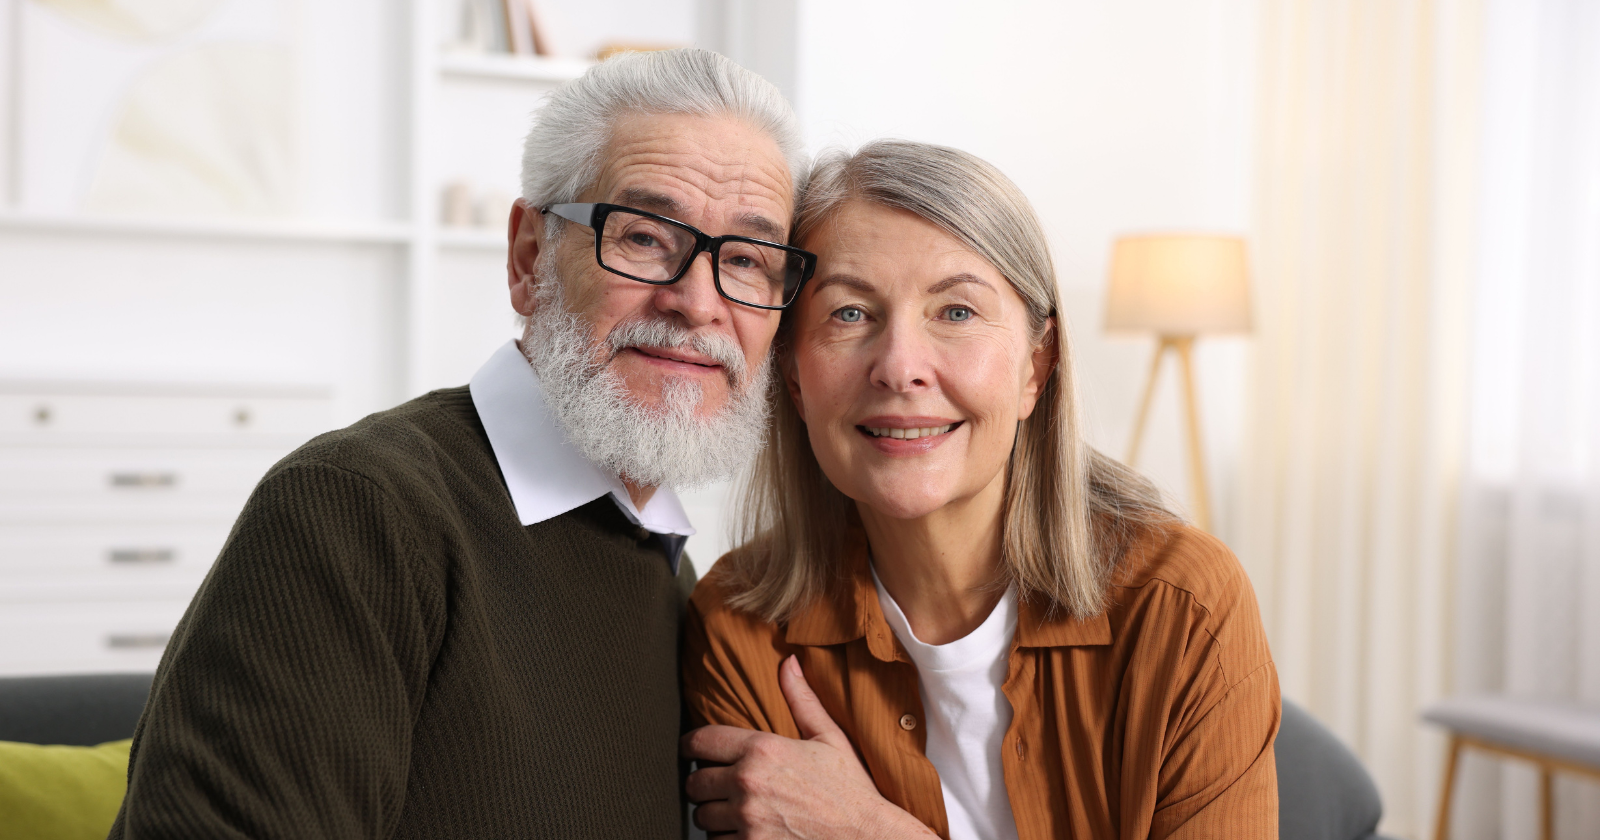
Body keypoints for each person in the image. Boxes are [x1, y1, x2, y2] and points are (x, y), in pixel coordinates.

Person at [110, 48, 814, 839]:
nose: (697, 303)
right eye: (645, 238)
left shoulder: (673, 570)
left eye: (748, 261)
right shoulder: (356, 511)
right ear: (528, 258)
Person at [681, 140, 1280, 839]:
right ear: (792, 376)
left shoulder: (1186, 608)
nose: (900, 368)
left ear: (1036, 366)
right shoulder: (738, 626)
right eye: (848, 313)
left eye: (956, 312)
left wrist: (874, 833)